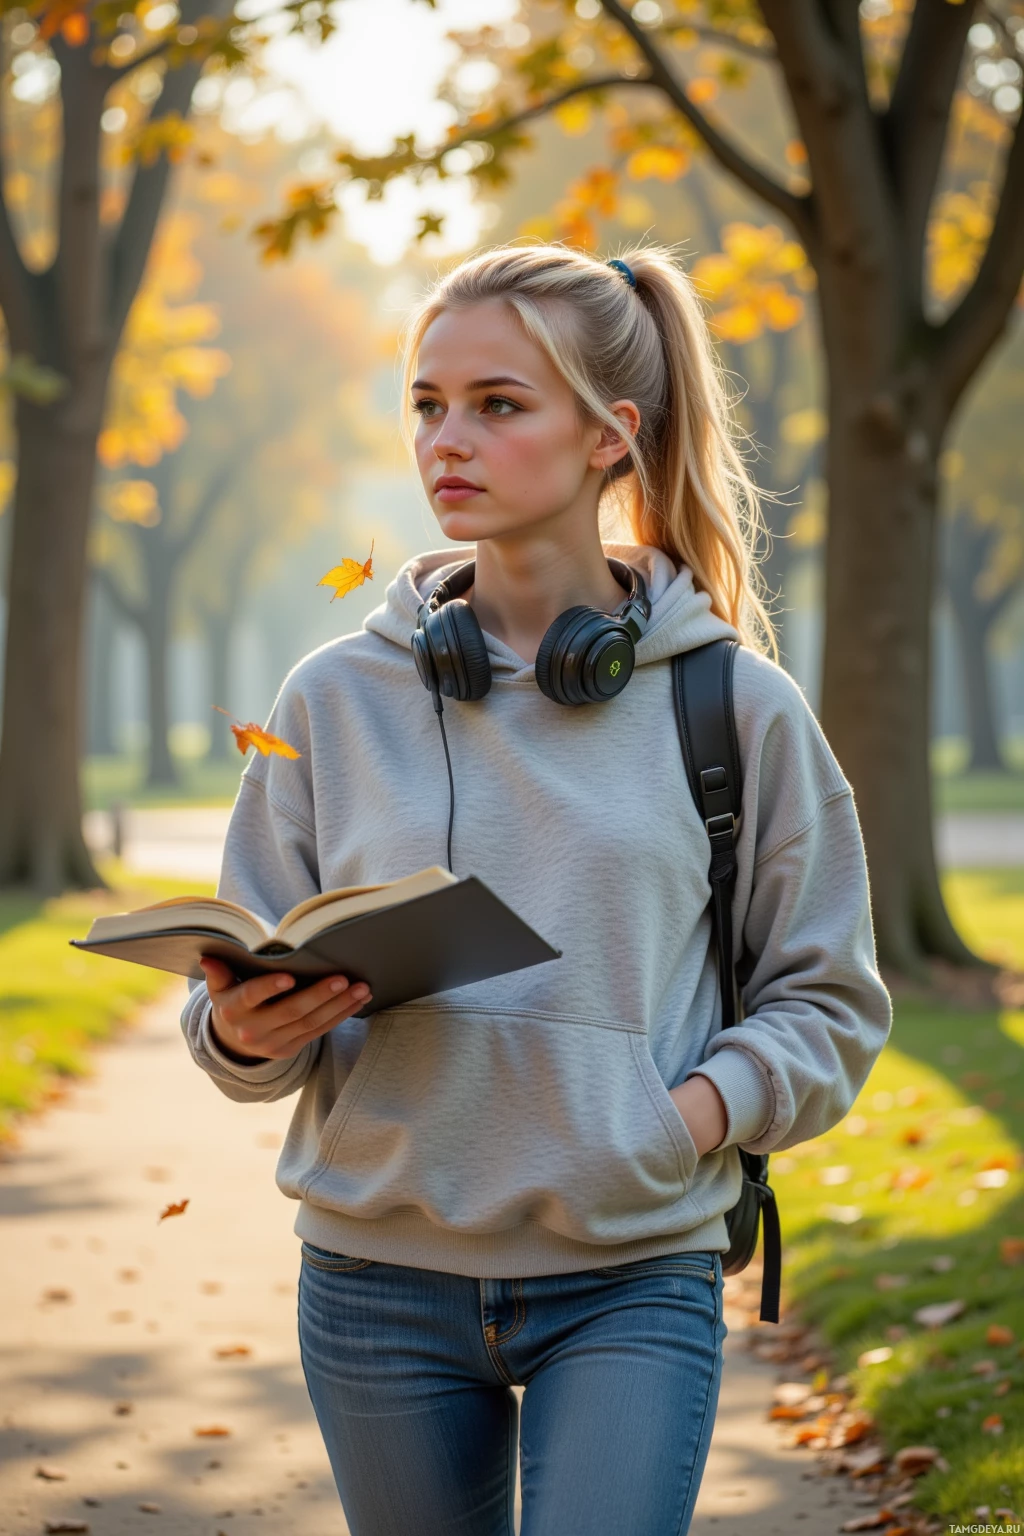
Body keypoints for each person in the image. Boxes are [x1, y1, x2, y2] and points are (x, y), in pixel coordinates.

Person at [182, 242, 892, 1536]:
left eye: (499, 405)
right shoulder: (331, 701)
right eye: (427, 403)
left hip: (631, 1272)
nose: (447, 439)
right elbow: (240, 990)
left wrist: (680, 1118)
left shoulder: (733, 704)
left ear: (610, 437)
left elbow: (829, 997)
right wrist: (237, 1031)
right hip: (375, 1283)